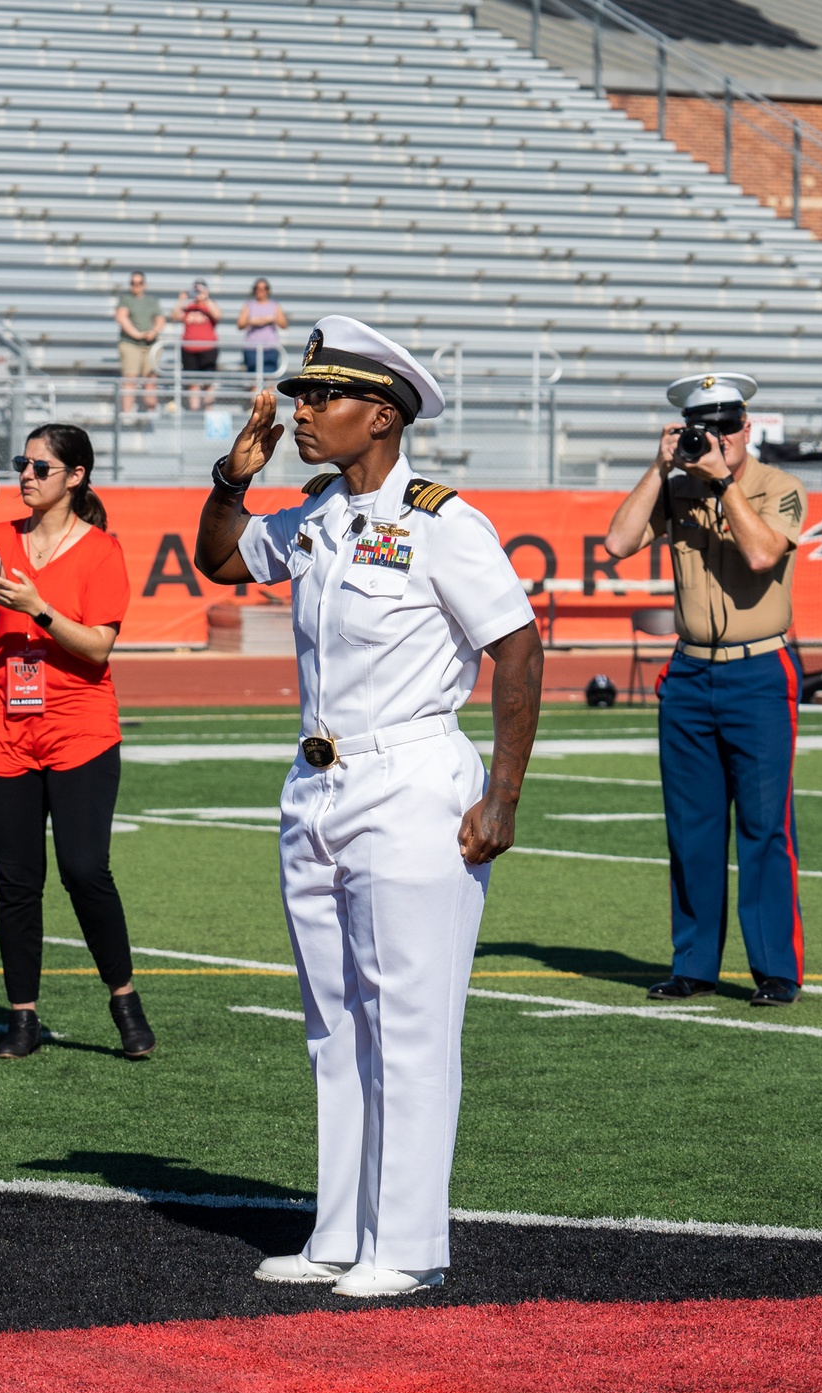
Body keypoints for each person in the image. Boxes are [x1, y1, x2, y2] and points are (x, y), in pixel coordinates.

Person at [193, 316, 543, 1299]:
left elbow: (514, 650)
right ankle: (339, 1230)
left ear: (380, 416)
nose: (300, 412)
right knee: (331, 1018)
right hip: (316, 785)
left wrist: (502, 794)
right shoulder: (313, 516)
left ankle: (411, 1242)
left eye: (320, 399)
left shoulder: (441, 521)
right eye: (300, 396)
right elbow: (221, 562)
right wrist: (232, 479)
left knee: (409, 1017)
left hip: (410, 783)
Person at [0, 422, 152, 1060]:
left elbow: (98, 647)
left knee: (85, 870)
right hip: (4, 731)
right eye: (21, 464)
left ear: (76, 477)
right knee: (17, 880)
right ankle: (22, 1016)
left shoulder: (101, 551)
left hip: (80, 731)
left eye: (40, 467)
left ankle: (123, 997)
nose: (25, 475)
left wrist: (37, 608)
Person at [601, 372, 808, 1006]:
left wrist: (723, 483)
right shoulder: (677, 484)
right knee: (691, 826)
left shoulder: (781, 487)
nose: (715, 440)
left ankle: (777, 970)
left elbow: (761, 555)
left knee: (766, 827)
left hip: (760, 670)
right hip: (689, 670)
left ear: (748, 429)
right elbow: (616, 543)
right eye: (703, 430)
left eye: (726, 429)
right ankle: (693, 964)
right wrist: (658, 469)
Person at [114, 269, 164, 417]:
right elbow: (121, 317)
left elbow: (160, 320)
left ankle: (150, 412)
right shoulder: (125, 300)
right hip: (131, 344)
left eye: (139, 283)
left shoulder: (152, 301)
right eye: (133, 283)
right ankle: (127, 414)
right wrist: (138, 334)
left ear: (144, 284)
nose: (136, 286)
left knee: (151, 380)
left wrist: (153, 332)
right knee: (130, 379)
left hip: (150, 344)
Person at [172, 281, 223, 411]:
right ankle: (194, 410)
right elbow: (174, 316)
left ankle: (208, 411)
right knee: (193, 383)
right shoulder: (188, 306)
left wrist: (205, 298)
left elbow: (218, 315)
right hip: (189, 349)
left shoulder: (210, 305)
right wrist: (181, 300)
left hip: (208, 349)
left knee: (208, 383)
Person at [238, 278, 288, 385]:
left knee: (270, 380)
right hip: (252, 348)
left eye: (263, 288)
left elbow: (284, 324)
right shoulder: (249, 305)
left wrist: (272, 319)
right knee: (254, 381)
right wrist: (251, 321)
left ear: (268, 290)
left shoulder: (274, 306)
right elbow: (240, 324)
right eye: (258, 288)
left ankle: (269, 401)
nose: (261, 291)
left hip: (270, 348)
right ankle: (255, 401)